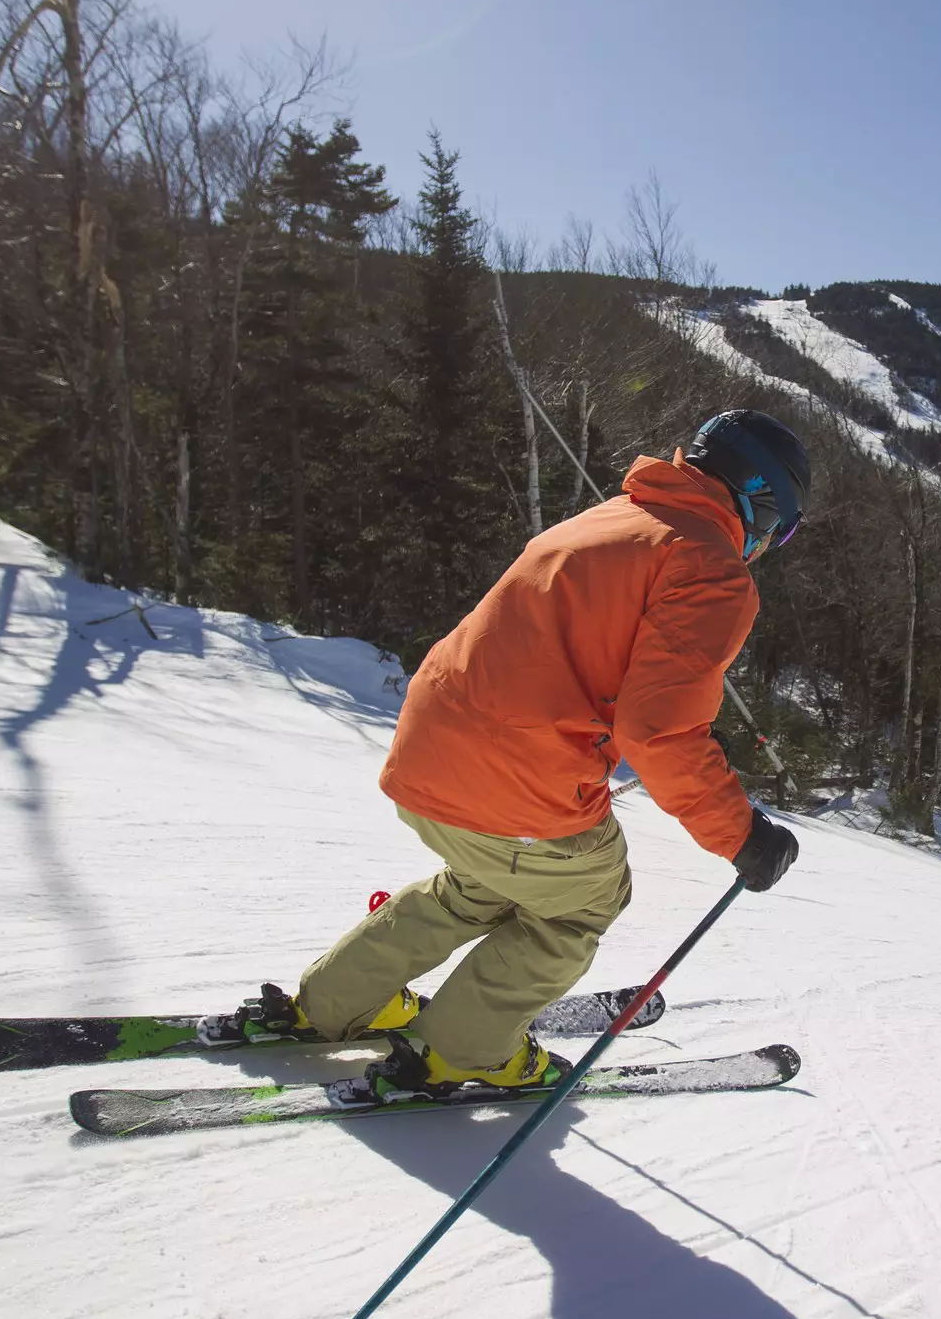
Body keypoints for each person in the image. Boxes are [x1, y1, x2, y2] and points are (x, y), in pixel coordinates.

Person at [243, 409, 808, 1099]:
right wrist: (742, 835)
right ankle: (463, 1049)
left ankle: (330, 1002)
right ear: (763, 503)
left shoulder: (614, 517)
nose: (766, 546)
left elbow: (589, 659)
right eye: (780, 530)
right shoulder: (710, 564)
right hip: (514, 781)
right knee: (584, 897)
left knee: (478, 886)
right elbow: (658, 732)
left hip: (428, 752)